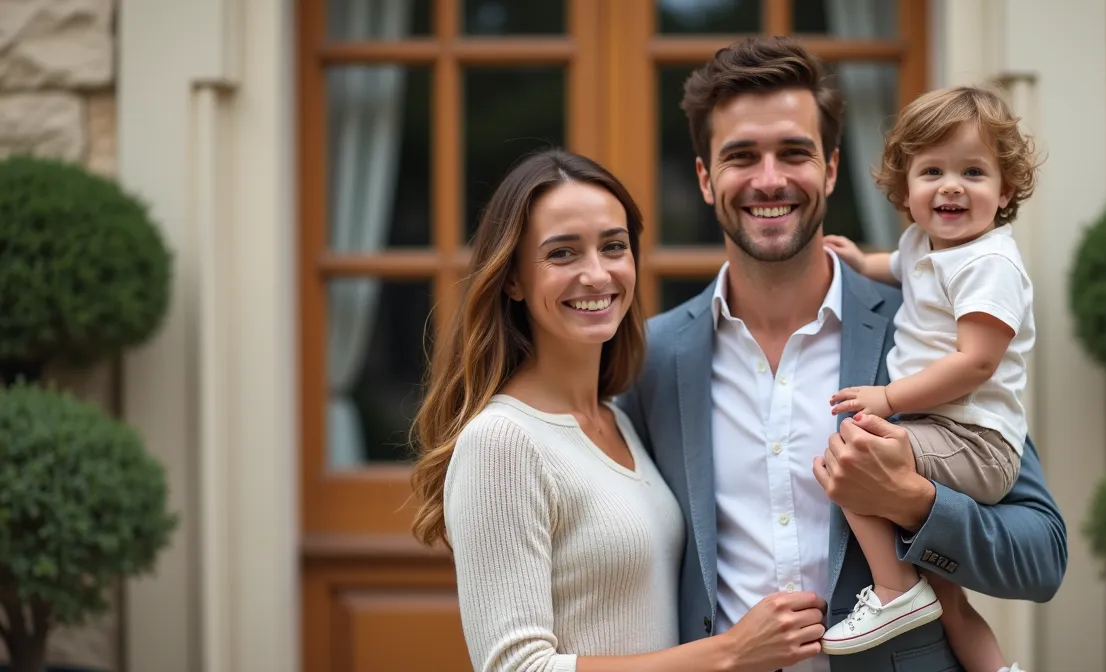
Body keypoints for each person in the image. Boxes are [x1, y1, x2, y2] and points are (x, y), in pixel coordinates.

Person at [614, 37, 1066, 672]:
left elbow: (1041, 557)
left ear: (829, 169)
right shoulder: (652, 357)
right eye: (741, 156)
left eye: (793, 153)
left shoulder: (922, 333)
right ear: (705, 178)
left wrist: (913, 500)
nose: (769, 179)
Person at [410, 147, 829, 672]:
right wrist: (730, 653)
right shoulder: (502, 440)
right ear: (513, 278)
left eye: (613, 247)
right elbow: (516, 667)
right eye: (562, 253)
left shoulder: (620, 421)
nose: (597, 275)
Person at [822, 85, 1038, 671]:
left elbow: (977, 363)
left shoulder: (989, 264)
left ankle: (894, 591)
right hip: (942, 433)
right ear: (906, 188)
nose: (950, 186)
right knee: (948, 598)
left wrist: (888, 397)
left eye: (973, 171)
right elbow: (897, 267)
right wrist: (860, 262)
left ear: (1006, 189)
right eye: (931, 170)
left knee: (851, 451)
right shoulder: (925, 242)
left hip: (976, 442)